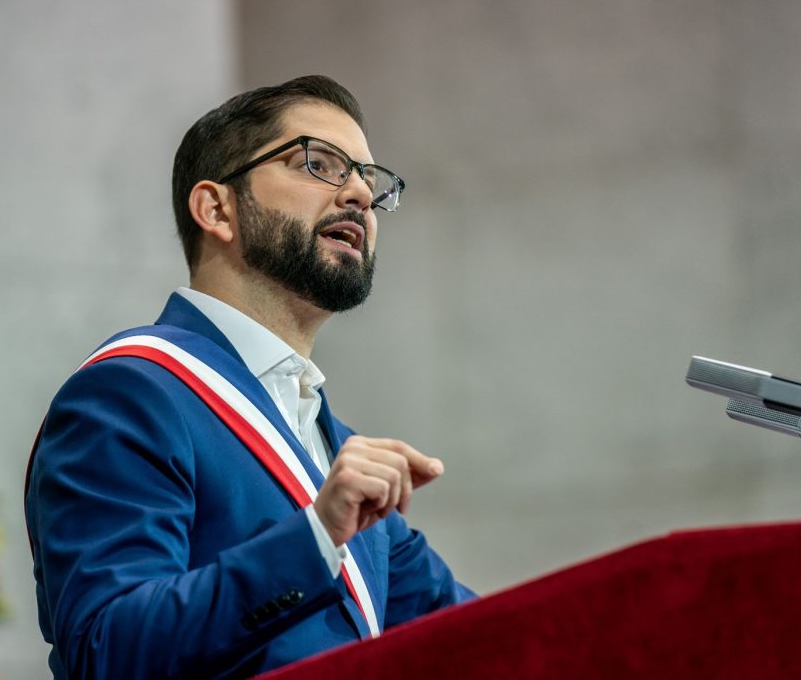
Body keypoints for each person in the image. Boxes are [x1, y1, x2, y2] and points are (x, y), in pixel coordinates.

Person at [24, 75, 475, 679]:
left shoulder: (336, 451)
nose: (359, 196)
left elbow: (482, 638)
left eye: (369, 179)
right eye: (319, 163)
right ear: (217, 208)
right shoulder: (131, 393)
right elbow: (107, 649)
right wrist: (314, 538)